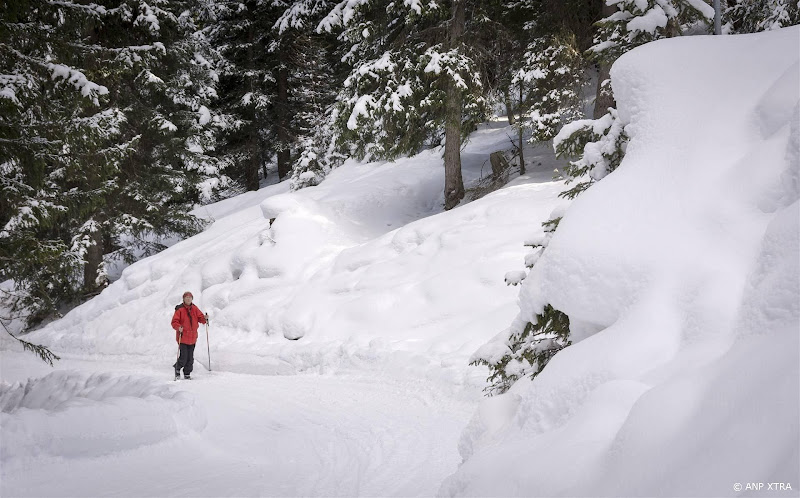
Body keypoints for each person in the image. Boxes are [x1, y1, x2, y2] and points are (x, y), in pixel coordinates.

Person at [171, 291, 207, 380]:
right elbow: (174, 322)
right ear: (183, 299)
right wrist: (178, 327)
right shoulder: (180, 309)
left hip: (193, 337)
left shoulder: (195, 308)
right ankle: (177, 368)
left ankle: (187, 373)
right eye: (186, 297)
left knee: (190, 358)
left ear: (192, 299)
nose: (188, 299)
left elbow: (201, 318)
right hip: (182, 337)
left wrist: (205, 319)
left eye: (190, 297)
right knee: (184, 357)